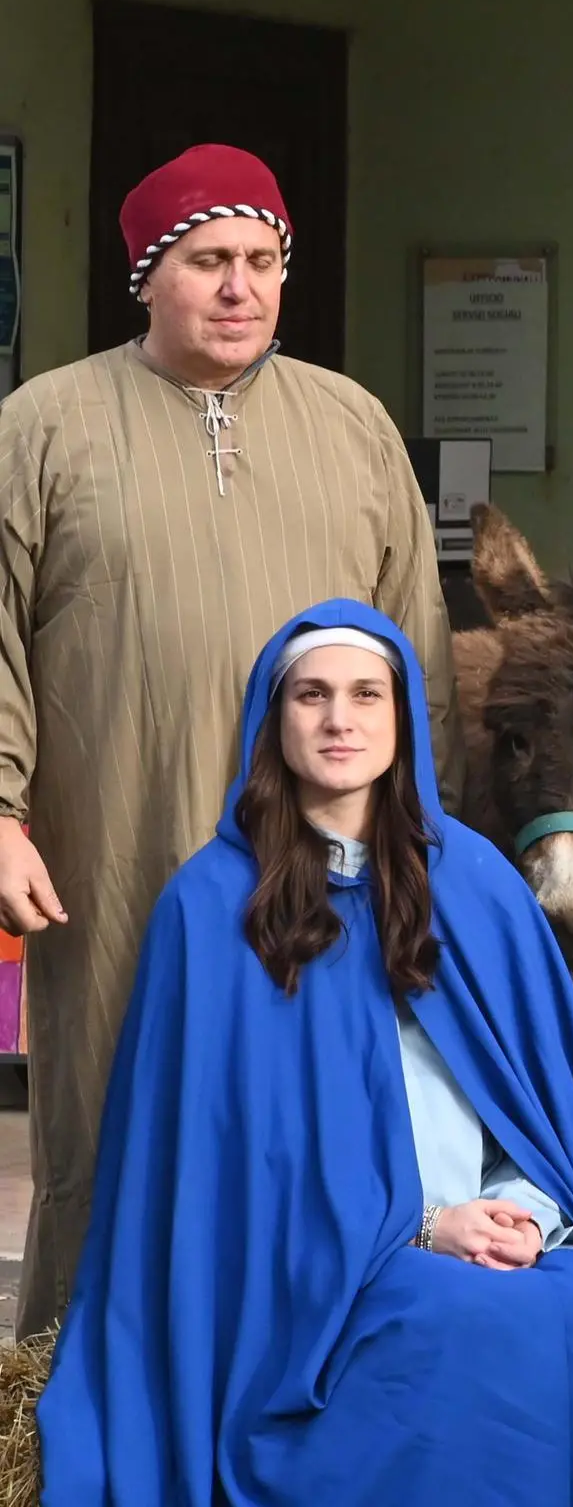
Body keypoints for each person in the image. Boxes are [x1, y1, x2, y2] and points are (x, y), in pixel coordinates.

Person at [37, 600, 573, 1507]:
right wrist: (418, 1226)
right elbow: (211, 1178)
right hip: (308, 1276)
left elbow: (538, 1114)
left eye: (365, 694)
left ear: (402, 716)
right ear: (275, 716)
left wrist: (519, 1211)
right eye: (314, 694)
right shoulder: (210, 906)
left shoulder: (477, 887)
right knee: (468, 1322)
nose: (341, 719)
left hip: (484, 1230)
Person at [0, 143, 452, 1331]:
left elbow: (418, 650)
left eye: (263, 261)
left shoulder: (351, 425)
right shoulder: (45, 426)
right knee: (113, 1126)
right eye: (208, 262)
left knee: (316, 1130)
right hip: (120, 857)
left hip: (330, 869)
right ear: (147, 276)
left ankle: (305, 1417)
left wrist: (427, 838)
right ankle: (81, 1410)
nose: (240, 287)